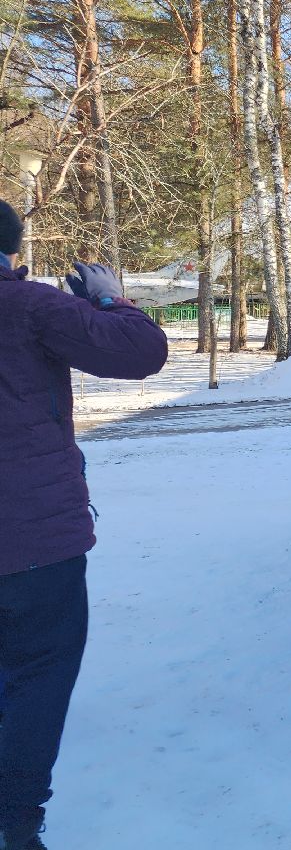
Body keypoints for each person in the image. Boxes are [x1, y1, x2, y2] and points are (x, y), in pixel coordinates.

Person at [0, 200, 169, 850]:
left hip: (36, 537)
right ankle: (16, 824)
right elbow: (142, 351)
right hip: (35, 541)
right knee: (38, 674)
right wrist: (110, 300)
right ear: (12, 246)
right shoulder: (29, 306)